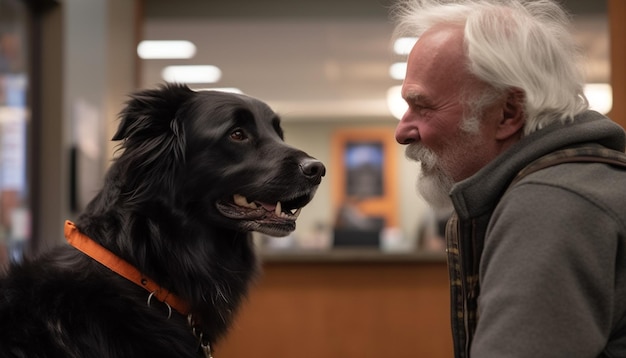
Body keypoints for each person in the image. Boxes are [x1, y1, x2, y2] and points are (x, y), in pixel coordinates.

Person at [391, 0, 626, 357]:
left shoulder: (549, 203)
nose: (402, 131)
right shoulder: (581, 183)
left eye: (422, 107)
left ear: (508, 113)